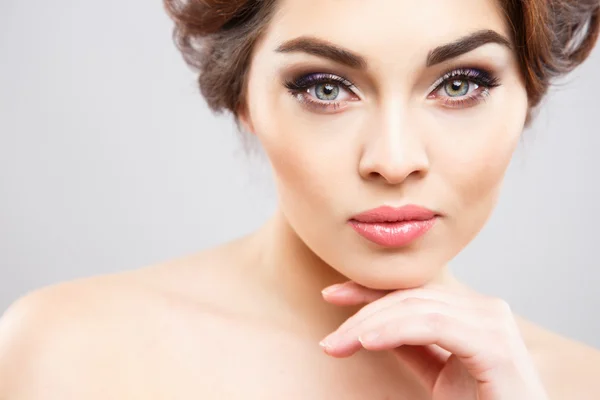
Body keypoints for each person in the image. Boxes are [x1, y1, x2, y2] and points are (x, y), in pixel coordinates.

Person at [1, 0, 600, 398]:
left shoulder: (574, 384)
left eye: (460, 83)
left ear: (528, 95)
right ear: (244, 99)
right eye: (326, 87)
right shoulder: (68, 355)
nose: (392, 161)